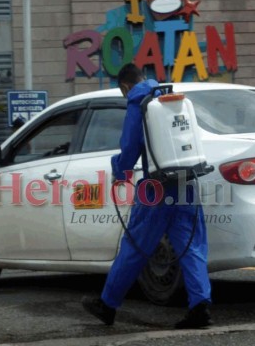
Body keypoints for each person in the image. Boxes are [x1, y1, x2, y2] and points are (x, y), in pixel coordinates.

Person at [82, 63, 212, 329]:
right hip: (186, 180)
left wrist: (120, 170)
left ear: (125, 86)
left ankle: (107, 305)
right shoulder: (170, 98)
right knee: (191, 245)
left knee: (134, 245)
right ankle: (200, 306)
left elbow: (130, 148)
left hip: (157, 187)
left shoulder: (138, 104)